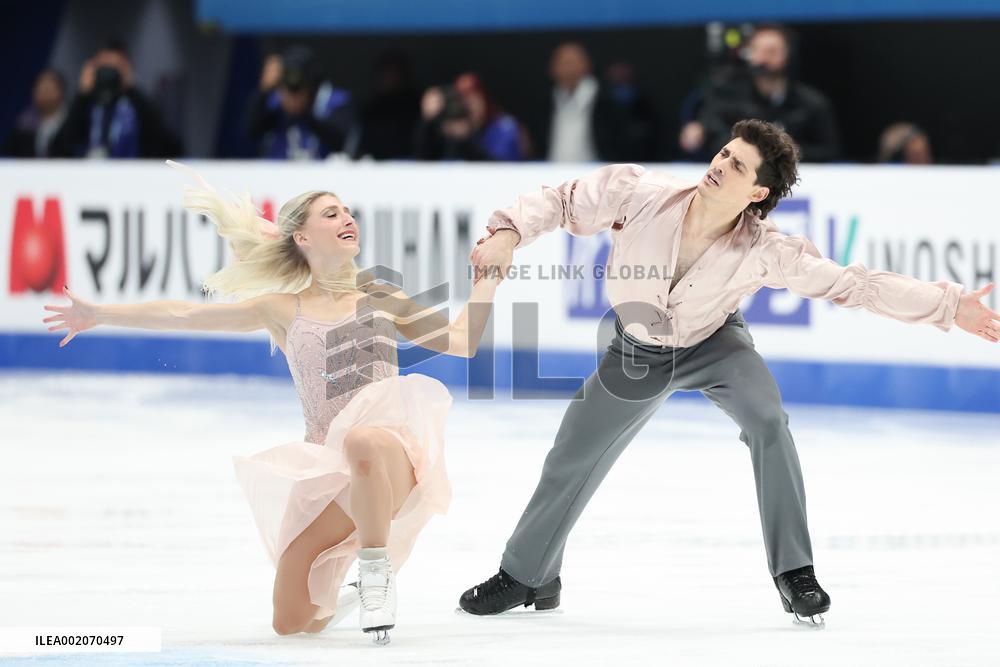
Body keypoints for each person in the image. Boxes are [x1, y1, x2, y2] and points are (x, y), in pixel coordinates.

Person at [460, 119, 997, 625]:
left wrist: (949, 305)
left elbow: (853, 284)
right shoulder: (639, 193)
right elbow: (560, 200)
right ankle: (529, 576)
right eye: (724, 153)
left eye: (738, 166)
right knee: (571, 451)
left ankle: (795, 571)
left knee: (767, 420)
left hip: (715, 345)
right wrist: (508, 231)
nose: (720, 165)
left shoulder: (767, 249)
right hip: (637, 350)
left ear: (758, 194)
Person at [41, 162, 501, 644]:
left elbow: (463, 340)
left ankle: (374, 576)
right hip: (328, 463)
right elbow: (184, 312)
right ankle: (349, 588)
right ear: (302, 237)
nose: (347, 218)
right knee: (291, 621)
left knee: (363, 440)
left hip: (392, 456)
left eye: (347, 211)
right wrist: (99, 313)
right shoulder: (281, 309)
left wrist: (486, 278)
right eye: (330, 214)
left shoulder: (379, 294)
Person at [680, 25, 841, 163]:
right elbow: (710, 135)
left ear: (787, 54)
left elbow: (829, 150)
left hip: (798, 180)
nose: (763, 58)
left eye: (771, 51)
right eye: (757, 50)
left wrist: (790, 151)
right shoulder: (726, 98)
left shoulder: (812, 103)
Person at [53, 40, 181, 158]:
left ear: (127, 68)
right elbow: (58, 147)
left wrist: (132, 88)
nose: (109, 73)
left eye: (115, 67)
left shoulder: (137, 104)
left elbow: (168, 145)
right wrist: (82, 94)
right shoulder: (84, 104)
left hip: (131, 175)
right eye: (103, 67)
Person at [249, 46, 357, 160]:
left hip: (321, 174)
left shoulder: (337, 101)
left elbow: (343, 142)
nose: (293, 90)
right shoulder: (276, 101)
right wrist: (263, 92)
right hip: (278, 172)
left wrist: (304, 112)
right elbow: (251, 130)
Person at [414, 73, 526, 162]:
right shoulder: (449, 125)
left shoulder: (502, 127)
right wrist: (427, 121)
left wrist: (464, 141)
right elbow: (423, 162)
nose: (468, 105)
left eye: (473, 99)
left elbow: (502, 168)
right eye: (463, 99)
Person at [3, 68, 68, 158]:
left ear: (61, 91)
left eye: (49, 88)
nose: (45, 93)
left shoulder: (70, 123)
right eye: (41, 88)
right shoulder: (24, 124)